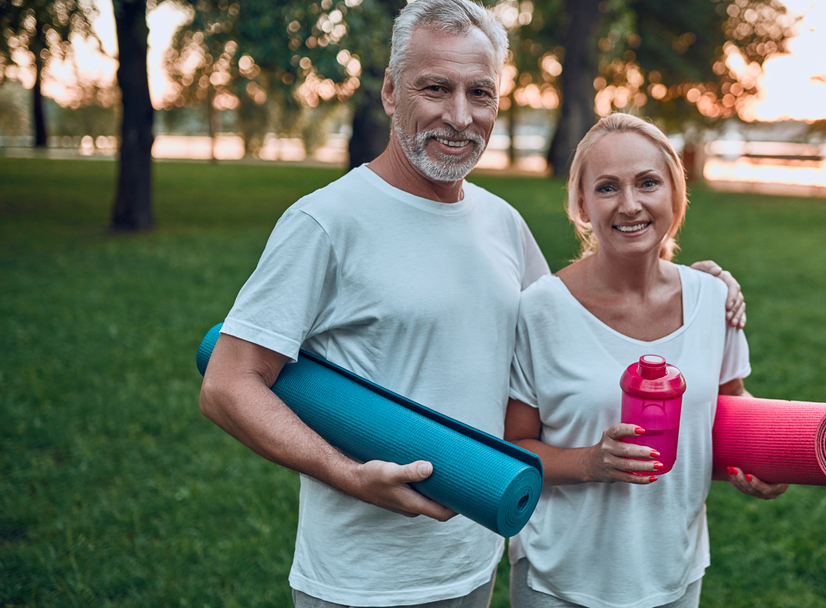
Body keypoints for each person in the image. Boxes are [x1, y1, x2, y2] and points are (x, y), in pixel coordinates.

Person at [198, 1, 745, 607]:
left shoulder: (501, 223)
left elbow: (579, 308)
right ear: (389, 92)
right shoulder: (326, 222)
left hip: (476, 559)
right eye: (436, 88)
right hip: (361, 581)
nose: (459, 117)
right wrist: (347, 474)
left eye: (479, 93)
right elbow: (229, 384)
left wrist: (684, 282)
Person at [504, 114, 789, 608]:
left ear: (675, 195)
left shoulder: (713, 301)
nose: (630, 204)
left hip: (674, 575)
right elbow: (511, 447)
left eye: (648, 183)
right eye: (608, 187)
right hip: (560, 580)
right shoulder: (539, 310)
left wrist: (762, 460)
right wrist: (590, 462)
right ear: (581, 204)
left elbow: (729, 412)